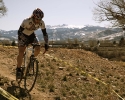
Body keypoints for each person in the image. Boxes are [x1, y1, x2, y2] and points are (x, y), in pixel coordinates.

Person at [16, 8, 49, 77]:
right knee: (21, 52)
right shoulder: (26, 21)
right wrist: (24, 40)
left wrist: (46, 44)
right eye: (37, 19)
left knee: (38, 48)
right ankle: (18, 69)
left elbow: (45, 34)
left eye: (40, 19)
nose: (38, 21)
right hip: (22, 35)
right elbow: (19, 32)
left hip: (31, 35)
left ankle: (31, 61)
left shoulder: (41, 23)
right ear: (33, 17)